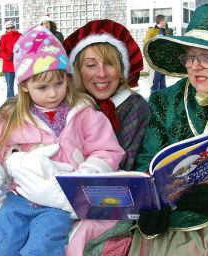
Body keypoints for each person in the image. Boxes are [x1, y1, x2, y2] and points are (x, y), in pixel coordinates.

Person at [88, 4, 208, 255]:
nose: (194, 66)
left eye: (206, 56)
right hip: (176, 226)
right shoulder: (166, 101)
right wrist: (149, 204)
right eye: (189, 56)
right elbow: (149, 159)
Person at [0, 25, 124, 255]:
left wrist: (87, 172)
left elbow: (106, 150)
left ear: (67, 78)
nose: (53, 93)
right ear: (24, 85)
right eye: (42, 87)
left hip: (58, 201)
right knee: (4, 240)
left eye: (59, 83)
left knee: (44, 243)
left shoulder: (83, 112)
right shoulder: (12, 116)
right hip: (19, 196)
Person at [60, 19, 150, 256]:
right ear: (77, 70)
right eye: (91, 65)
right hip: (61, 194)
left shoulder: (133, 106)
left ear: (122, 69)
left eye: (109, 64)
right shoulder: (68, 107)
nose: (101, 74)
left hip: (110, 200)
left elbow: (124, 167)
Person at [143, 14, 170, 94]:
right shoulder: (151, 31)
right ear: (161, 21)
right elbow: (146, 44)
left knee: (162, 78)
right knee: (155, 78)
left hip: (163, 58)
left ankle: (163, 96)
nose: (166, 22)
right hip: (155, 58)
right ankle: (153, 96)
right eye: (165, 20)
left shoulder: (166, 31)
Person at [0, 20, 21, 98]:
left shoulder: (20, 36)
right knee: (9, 88)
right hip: (8, 66)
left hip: (19, 65)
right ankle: (10, 104)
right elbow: (1, 52)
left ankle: (22, 103)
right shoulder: (4, 37)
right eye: (8, 28)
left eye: (12, 27)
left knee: (21, 87)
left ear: (15, 27)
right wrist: (8, 57)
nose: (10, 29)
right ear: (6, 29)